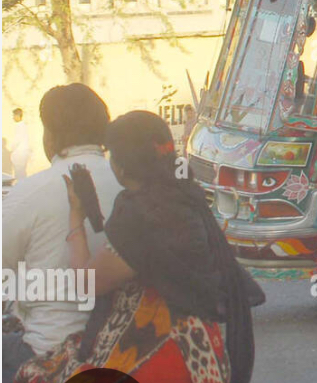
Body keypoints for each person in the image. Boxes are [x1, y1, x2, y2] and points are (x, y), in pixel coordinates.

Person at [16, 111, 265, 383]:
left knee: (35, 373)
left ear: (122, 167)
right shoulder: (184, 195)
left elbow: (88, 283)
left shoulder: (140, 213)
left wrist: (76, 215)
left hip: (154, 351)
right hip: (202, 349)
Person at [2, 85, 121, 383]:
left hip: (48, 350)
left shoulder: (30, 193)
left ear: (51, 135)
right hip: (120, 345)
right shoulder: (128, 185)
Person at [9, 108, 29, 180]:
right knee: (20, 173)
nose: (13, 117)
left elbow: (17, 140)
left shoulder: (20, 126)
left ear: (18, 115)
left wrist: (11, 150)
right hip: (21, 153)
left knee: (19, 173)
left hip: (20, 153)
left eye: (14, 115)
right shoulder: (22, 126)